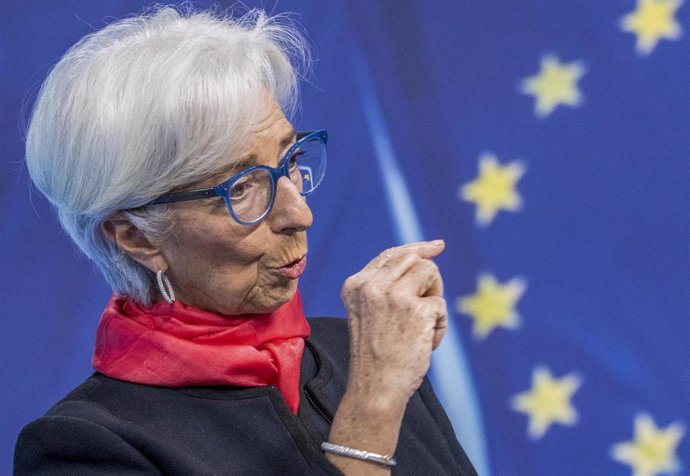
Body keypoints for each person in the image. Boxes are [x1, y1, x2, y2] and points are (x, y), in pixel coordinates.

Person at [14, 6, 476, 475]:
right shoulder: (85, 447)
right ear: (136, 236)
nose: (300, 213)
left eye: (290, 159)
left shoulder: (361, 352)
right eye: (240, 188)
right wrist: (372, 408)